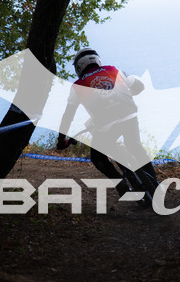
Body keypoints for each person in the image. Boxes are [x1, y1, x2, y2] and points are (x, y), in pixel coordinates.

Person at [57, 48, 157, 196]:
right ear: (97, 60)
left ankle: (120, 184)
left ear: (79, 67)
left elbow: (68, 116)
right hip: (129, 116)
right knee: (135, 145)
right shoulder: (114, 71)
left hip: (106, 126)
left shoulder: (78, 86)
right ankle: (155, 182)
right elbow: (139, 86)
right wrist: (127, 93)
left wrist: (61, 140)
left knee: (97, 157)